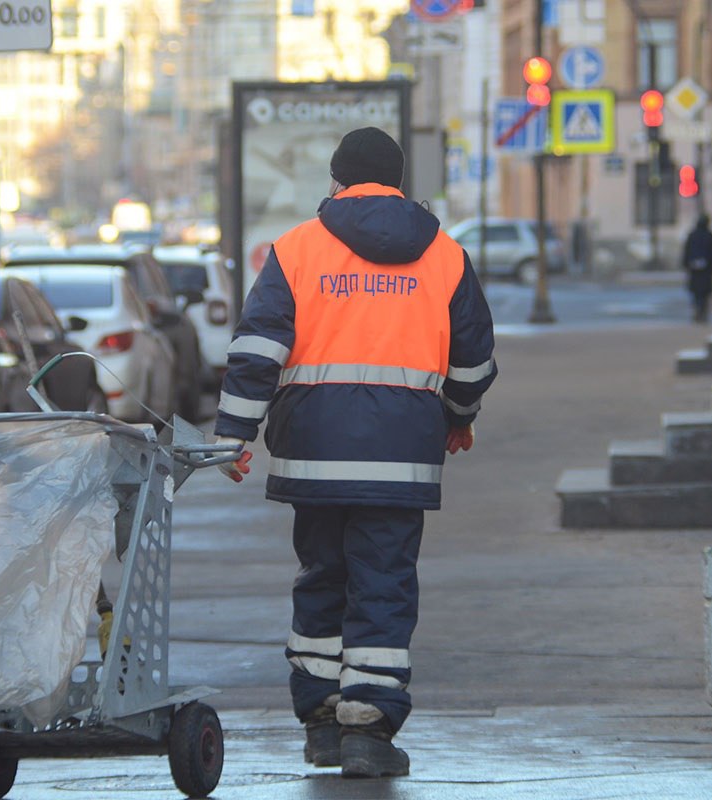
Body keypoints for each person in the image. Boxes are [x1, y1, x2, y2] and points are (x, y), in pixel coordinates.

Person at [211, 127, 497, 779]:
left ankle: (322, 724)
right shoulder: (446, 254)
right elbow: (475, 360)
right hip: (401, 458)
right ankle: (368, 731)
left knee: (322, 580)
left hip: (312, 455)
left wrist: (233, 437)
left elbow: (257, 352)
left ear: (338, 181)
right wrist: (458, 416)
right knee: (383, 585)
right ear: (397, 183)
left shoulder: (297, 249)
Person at [681, 214, 712, 323]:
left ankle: (698, 310)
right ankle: (702, 312)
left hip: (695, 269)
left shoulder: (692, 235)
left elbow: (687, 251)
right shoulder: (709, 236)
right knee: (704, 293)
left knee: (696, 292)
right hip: (706, 270)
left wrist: (686, 264)